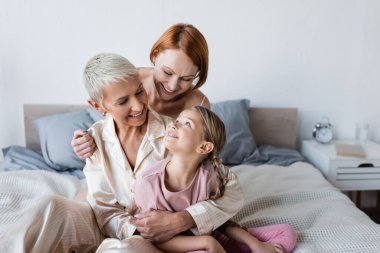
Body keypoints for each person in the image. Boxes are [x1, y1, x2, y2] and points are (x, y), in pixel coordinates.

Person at [82, 53, 243, 252]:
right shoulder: (93, 140)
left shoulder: (174, 135)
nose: (138, 106)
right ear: (97, 106)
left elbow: (231, 188)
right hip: (116, 229)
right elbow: (103, 207)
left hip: (170, 238)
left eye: (140, 92)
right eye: (123, 101)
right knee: (50, 207)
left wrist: (184, 219)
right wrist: (141, 230)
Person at [132, 106, 297, 253]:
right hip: (187, 247)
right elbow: (155, 238)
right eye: (177, 120)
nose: (174, 124)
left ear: (204, 147)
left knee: (286, 232)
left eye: (186, 124)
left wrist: (255, 244)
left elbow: (221, 221)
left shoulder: (209, 176)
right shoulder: (148, 183)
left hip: (218, 240)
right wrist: (206, 242)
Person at [72, 23, 210, 160]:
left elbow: (201, 155)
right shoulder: (131, 80)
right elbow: (108, 121)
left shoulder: (199, 104)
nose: (173, 86)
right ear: (155, 55)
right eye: (167, 72)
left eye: (186, 79)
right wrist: (85, 142)